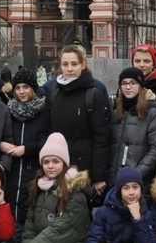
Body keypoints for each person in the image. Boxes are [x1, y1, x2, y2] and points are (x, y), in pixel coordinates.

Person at [46, 45, 111, 201]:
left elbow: (102, 138)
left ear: (83, 65)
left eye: (74, 64)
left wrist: (98, 176)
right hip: (56, 167)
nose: (69, 69)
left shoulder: (93, 94)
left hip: (83, 170)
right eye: (65, 64)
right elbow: (45, 131)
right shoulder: (53, 93)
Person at [1, 67, 50, 236]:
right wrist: (1, 144)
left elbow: (48, 140)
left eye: (26, 87)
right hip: (12, 171)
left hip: (35, 170)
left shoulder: (44, 111)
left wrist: (27, 149)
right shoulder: (8, 111)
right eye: (18, 88)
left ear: (33, 89)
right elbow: (0, 134)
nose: (21, 92)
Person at [107, 67, 156, 190]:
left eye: (133, 83)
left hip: (139, 182)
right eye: (124, 83)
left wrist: (136, 174)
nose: (128, 87)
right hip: (115, 181)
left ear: (140, 86)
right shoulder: (115, 113)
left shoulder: (152, 113)